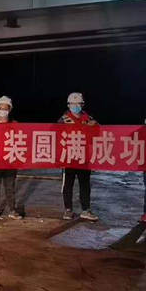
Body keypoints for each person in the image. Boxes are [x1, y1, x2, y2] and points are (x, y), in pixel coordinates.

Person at [58, 92, 98, 222]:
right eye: (73, 104)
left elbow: (98, 134)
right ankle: (68, 209)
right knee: (68, 184)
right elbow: (55, 133)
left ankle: (86, 209)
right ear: (68, 105)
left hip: (84, 157)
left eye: (78, 104)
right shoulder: (63, 120)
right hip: (69, 157)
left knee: (85, 184)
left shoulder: (88, 118)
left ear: (82, 105)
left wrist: (95, 126)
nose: (75, 106)